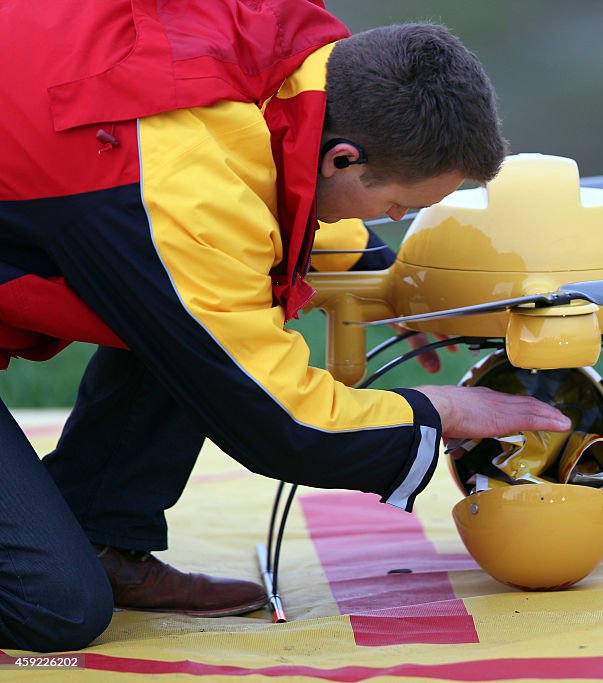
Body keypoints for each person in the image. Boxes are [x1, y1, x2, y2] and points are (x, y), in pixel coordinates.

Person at [0, 1, 570, 653]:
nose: (387, 217)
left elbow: (262, 165)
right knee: (54, 607)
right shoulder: (179, 188)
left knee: (194, 311)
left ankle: (99, 533)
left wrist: (385, 276)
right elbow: (281, 424)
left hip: (98, 158)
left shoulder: (290, 52)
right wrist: (441, 410)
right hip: (121, 166)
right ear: (344, 157)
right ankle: (71, 562)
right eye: (395, 209)